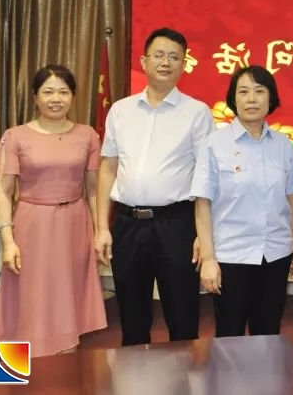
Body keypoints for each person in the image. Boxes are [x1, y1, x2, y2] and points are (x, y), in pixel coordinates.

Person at [95, 27, 213, 346]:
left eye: (174, 57)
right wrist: (102, 227)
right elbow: (108, 168)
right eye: (158, 55)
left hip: (176, 224)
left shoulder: (197, 113)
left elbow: (206, 176)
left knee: (182, 315)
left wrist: (203, 235)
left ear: (184, 65)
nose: (165, 62)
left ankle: (185, 374)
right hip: (127, 224)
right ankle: (133, 373)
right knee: (132, 317)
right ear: (144, 61)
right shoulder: (121, 110)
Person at [0, 64, 107, 357]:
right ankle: (17, 370)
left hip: (75, 225)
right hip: (32, 225)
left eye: (63, 92)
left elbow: (93, 191)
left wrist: (100, 231)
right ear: (35, 97)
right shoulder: (15, 136)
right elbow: (3, 193)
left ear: (73, 96)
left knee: (67, 299)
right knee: (27, 299)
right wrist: (8, 241)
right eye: (48, 92)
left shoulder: (88, 136)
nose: (56, 99)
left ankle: (64, 368)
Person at [192, 65, 293, 336]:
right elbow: (203, 204)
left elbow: (291, 199)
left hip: (276, 253)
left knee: (268, 332)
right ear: (233, 99)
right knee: (229, 335)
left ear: (271, 98)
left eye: (259, 91)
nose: (251, 99)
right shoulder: (214, 144)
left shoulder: (283, 145)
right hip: (232, 255)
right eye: (243, 92)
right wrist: (209, 259)